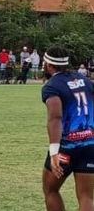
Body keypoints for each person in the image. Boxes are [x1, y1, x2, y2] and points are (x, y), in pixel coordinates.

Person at [40, 46, 94, 211]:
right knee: (86, 197)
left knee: (51, 190)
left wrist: (55, 150)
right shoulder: (85, 80)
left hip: (66, 146)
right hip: (89, 144)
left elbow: (56, 117)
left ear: (49, 65)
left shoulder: (52, 86)